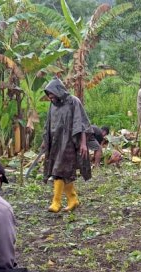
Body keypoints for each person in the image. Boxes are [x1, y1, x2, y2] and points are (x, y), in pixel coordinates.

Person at [42, 77, 92, 212]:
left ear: (58, 91)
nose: (50, 98)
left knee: (58, 171)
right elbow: (49, 124)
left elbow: (82, 123)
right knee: (63, 172)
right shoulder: (53, 104)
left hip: (70, 143)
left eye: (52, 95)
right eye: (49, 96)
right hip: (56, 143)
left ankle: (56, 202)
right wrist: (45, 141)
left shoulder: (74, 102)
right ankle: (72, 199)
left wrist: (83, 143)